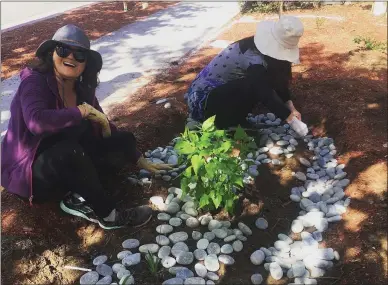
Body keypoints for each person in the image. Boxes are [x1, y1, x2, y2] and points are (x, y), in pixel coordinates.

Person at [1, 24, 172, 230]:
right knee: (70, 151)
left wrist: (138, 157)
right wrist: (80, 112)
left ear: (86, 63)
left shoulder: (82, 89)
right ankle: (108, 215)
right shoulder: (34, 82)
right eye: (63, 50)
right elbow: (37, 123)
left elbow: (103, 123)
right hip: (32, 172)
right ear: (51, 53)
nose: (71, 57)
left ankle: (78, 194)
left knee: (123, 140)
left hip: (69, 158)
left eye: (79, 54)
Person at [185, 15, 309, 136]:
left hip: (222, 96)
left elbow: (279, 82)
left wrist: (291, 108)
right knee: (254, 84)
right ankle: (225, 124)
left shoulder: (264, 54)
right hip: (204, 101)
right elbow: (262, 90)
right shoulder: (252, 57)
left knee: (260, 82)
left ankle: (234, 120)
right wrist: (289, 118)